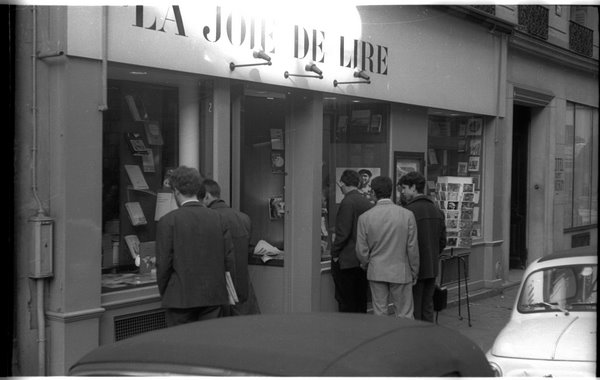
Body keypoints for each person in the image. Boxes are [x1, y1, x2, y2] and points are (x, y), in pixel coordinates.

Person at [156, 166, 234, 327]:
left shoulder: (168, 221)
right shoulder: (218, 219)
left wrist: (166, 292)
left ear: (176, 191)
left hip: (180, 298)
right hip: (213, 296)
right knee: (208, 348)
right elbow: (229, 260)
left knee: (182, 348)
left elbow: (163, 264)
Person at [356, 175, 419, 318]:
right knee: (404, 313)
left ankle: (383, 340)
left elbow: (361, 249)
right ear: (391, 191)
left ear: (373, 192)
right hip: (401, 270)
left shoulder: (365, 217)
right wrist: (414, 270)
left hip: (376, 269)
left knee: (380, 313)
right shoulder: (407, 215)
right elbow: (412, 248)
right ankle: (403, 340)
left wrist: (366, 263)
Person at [200, 179, 261, 316]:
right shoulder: (244, 218)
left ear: (207, 196)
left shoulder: (208, 219)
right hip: (243, 288)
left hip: (218, 291)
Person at [398, 171, 447, 322]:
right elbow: (442, 241)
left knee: (414, 306)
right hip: (431, 267)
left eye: (404, 188)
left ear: (413, 188)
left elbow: (403, 242)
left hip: (414, 268)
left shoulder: (407, 212)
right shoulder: (436, 210)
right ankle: (427, 337)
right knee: (427, 305)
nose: (403, 192)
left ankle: (417, 338)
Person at [331, 169, 374, 313]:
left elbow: (343, 233)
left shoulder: (347, 202)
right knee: (360, 300)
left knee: (346, 302)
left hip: (346, 260)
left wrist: (334, 253)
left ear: (343, 183)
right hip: (361, 260)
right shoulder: (366, 202)